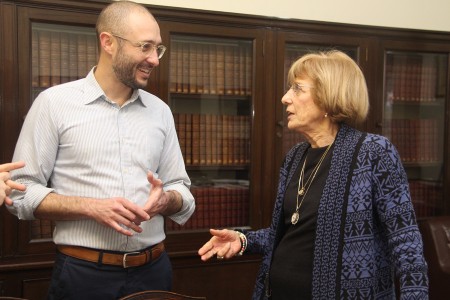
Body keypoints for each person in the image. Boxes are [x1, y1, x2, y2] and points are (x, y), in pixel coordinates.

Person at [198, 50, 429, 299]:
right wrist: (243, 240)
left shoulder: (373, 153)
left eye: (297, 89)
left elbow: (406, 242)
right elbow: (293, 232)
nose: (285, 98)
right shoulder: (295, 156)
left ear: (329, 96)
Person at [8, 1, 195, 299]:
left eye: (157, 49)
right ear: (108, 42)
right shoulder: (53, 104)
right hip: (83, 275)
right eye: (145, 47)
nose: (154, 59)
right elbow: (18, 193)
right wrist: (91, 207)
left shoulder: (160, 111)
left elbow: (183, 192)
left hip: (155, 271)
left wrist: (166, 200)